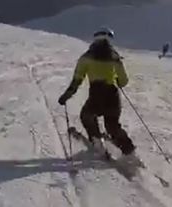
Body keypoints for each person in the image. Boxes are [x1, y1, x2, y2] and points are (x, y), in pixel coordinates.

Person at [57, 27, 136, 160]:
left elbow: (77, 80)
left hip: (97, 94)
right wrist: (116, 79)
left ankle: (97, 142)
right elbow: (123, 81)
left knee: (87, 115)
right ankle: (129, 151)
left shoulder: (86, 57)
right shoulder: (114, 57)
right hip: (112, 95)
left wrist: (66, 96)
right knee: (112, 125)